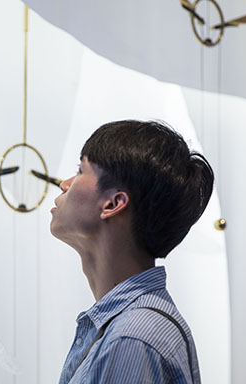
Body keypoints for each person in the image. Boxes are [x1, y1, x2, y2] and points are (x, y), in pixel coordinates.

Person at [50, 120, 213, 383]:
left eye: (80, 171)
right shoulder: (129, 327)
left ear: (113, 204)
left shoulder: (131, 338)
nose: (64, 184)